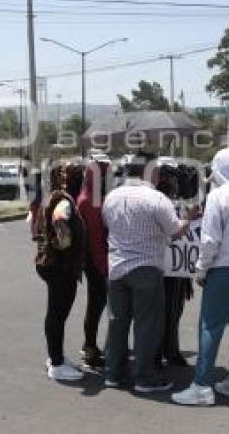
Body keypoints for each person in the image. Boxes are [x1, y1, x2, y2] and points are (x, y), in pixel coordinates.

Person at [172, 149, 229, 406]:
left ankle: (202, 386)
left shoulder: (218, 196)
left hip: (225, 270)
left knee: (210, 326)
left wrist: (201, 269)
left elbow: (210, 239)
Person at [102, 152, 193, 393]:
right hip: (146, 268)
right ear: (149, 171)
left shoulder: (111, 196)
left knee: (117, 323)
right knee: (147, 325)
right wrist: (189, 219)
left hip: (117, 268)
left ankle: (113, 373)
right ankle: (144, 377)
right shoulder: (156, 198)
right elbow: (175, 230)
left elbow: (107, 225)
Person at [34, 164, 87, 382]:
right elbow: (59, 219)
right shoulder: (63, 201)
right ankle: (56, 363)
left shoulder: (51, 197)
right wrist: (63, 243)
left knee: (56, 313)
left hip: (53, 264)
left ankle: (56, 357)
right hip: (59, 267)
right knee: (57, 314)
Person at [156, 167, 193, 368]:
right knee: (166, 311)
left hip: (173, 269)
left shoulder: (176, 204)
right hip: (163, 268)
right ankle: (165, 352)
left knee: (173, 310)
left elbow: (185, 242)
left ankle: (168, 350)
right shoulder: (162, 204)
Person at [76, 161, 109, 368]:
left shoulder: (85, 195)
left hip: (89, 258)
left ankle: (89, 345)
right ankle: (90, 348)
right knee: (96, 304)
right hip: (94, 259)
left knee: (95, 304)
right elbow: (96, 238)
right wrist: (103, 266)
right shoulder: (92, 201)